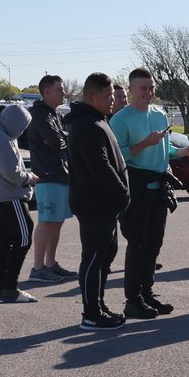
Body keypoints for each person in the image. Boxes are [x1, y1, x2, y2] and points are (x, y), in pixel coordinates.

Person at [109, 67, 189, 319]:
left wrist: (182, 153)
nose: (148, 92)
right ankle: (133, 300)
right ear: (131, 90)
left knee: (153, 245)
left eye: (151, 88)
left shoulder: (159, 114)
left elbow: (165, 149)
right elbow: (117, 155)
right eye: (143, 88)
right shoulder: (121, 119)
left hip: (159, 188)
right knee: (137, 244)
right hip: (136, 188)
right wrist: (144, 144)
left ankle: (147, 294)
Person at [67, 72, 130, 330]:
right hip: (94, 204)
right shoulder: (87, 126)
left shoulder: (98, 120)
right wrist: (122, 193)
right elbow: (100, 167)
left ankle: (99, 305)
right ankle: (91, 313)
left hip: (105, 205)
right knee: (94, 257)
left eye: (113, 96)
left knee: (106, 254)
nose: (112, 101)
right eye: (107, 97)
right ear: (92, 97)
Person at [0, 104, 40, 303]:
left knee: (4, 241)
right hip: (10, 195)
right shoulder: (2, 138)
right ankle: (11, 287)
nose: (23, 130)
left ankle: (3, 286)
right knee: (23, 237)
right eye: (23, 125)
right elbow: (11, 173)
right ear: (15, 123)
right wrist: (29, 177)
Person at [27, 74, 77, 284]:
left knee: (57, 222)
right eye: (59, 89)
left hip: (60, 174)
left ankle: (51, 264)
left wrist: (63, 137)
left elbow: (61, 138)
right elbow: (56, 142)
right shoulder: (39, 114)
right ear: (46, 92)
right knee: (46, 221)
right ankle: (38, 269)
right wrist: (63, 137)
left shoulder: (54, 113)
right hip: (46, 175)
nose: (63, 93)